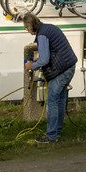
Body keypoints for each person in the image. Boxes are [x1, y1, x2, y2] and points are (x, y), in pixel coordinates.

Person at [24, 13, 77, 144]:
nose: (26, 30)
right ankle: (57, 131)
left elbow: (45, 59)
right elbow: (53, 51)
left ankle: (51, 136)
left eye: (26, 27)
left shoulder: (41, 35)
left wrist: (32, 65)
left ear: (30, 26)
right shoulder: (49, 28)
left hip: (62, 70)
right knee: (60, 99)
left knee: (52, 101)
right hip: (70, 65)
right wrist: (40, 58)